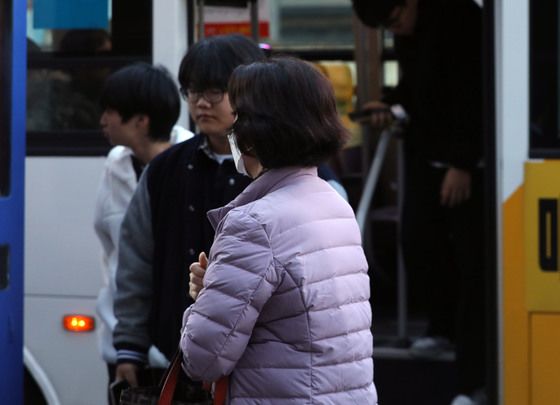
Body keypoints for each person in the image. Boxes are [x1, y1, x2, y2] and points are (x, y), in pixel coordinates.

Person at [181, 56, 377, 404]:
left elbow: (203, 358)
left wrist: (203, 301)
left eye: (239, 116)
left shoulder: (254, 223)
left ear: (260, 129)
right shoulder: (334, 203)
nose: (233, 128)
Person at [112, 35, 266, 389]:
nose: (201, 103)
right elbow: (136, 263)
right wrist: (129, 348)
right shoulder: (165, 169)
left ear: (250, 90)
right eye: (193, 91)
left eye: (215, 91)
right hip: (174, 357)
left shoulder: (282, 169)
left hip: (257, 365)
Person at [351, 1, 486, 405]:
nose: (398, 30)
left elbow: (476, 94)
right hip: (426, 153)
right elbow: (417, 88)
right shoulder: (410, 33)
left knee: (473, 265)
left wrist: (464, 162)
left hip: (470, 160)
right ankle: (440, 326)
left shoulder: (464, 22)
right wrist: (391, 104)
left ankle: (473, 377)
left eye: (395, 20)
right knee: (418, 241)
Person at [93, 62, 192, 398]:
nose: (103, 120)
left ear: (141, 120)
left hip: (180, 346)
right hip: (124, 342)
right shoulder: (114, 165)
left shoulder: (194, 161)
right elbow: (111, 247)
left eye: (111, 112)